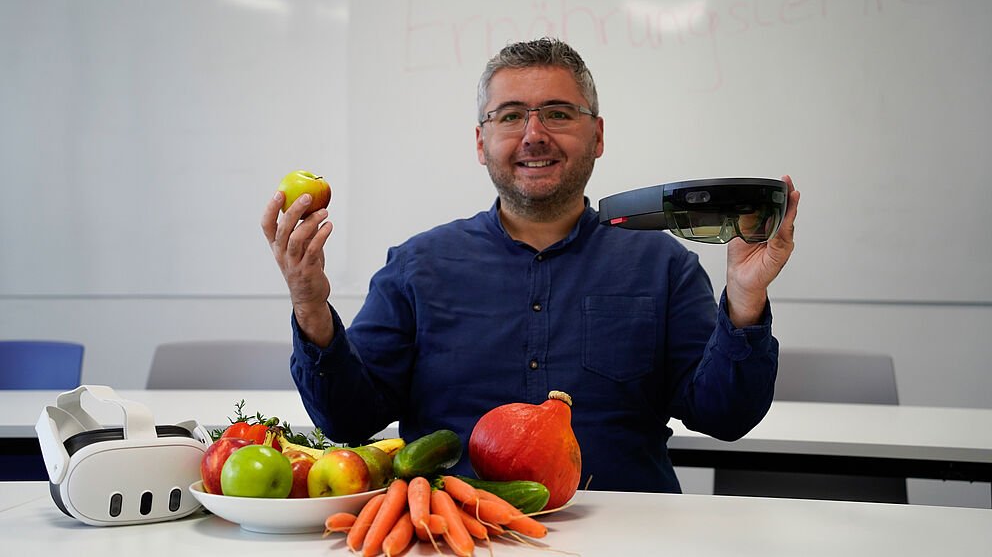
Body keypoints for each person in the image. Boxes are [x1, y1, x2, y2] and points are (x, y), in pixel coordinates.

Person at [261, 38, 799, 493]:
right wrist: (310, 306)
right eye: (511, 115)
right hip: (453, 530)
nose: (534, 134)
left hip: (626, 532)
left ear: (598, 136)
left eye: (558, 114)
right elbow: (348, 420)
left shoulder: (664, 266)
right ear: (482, 142)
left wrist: (745, 298)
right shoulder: (416, 267)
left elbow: (725, 418)